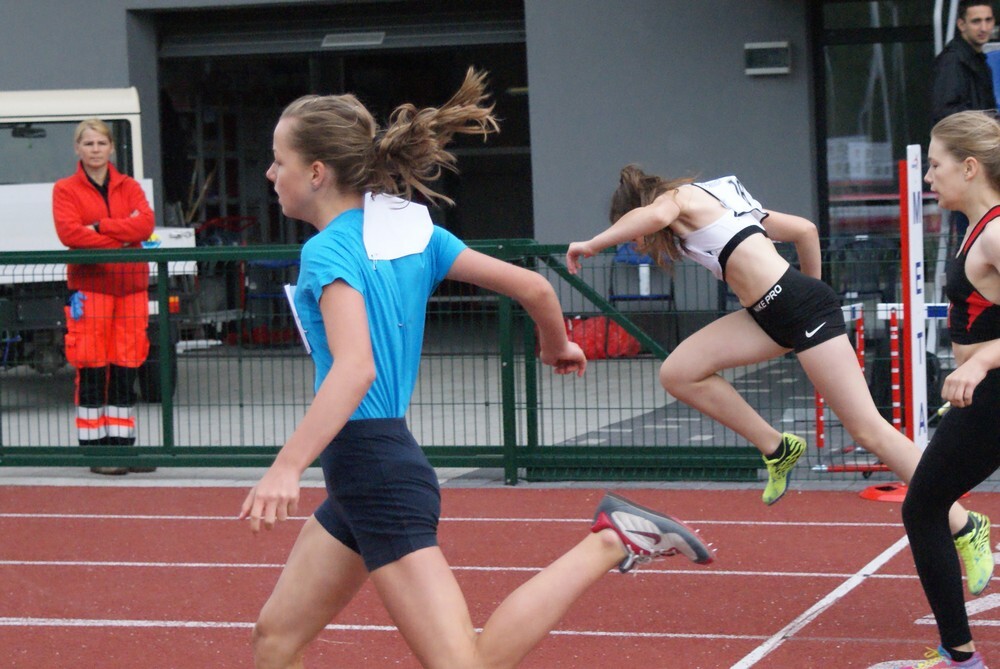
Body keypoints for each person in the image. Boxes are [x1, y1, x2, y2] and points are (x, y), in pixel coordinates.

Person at [239, 68, 715, 669]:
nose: (269, 173)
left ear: (315, 173)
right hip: (367, 474)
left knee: (466, 665)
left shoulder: (327, 250)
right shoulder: (414, 233)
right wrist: (556, 344)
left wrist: (286, 468)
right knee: (276, 639)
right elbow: (535, 289)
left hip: (376, 473)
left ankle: (610, 541)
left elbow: (355, 368)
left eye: (277, 160)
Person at [565, 165, 992, 594]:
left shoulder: (678, 200)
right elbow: (805, 230)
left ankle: (964, 523)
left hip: (799, 309)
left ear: (635, 211)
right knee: (679, 373)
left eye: (628, 230)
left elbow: (654, 218)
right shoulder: (725, 205)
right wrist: (810, 288)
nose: (637, 243)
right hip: (771, 313)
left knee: (869, 430)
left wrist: (593, 243)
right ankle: (778, 446)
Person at [890, 110, 1000, 669]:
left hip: (995, 397)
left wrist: (980, 364)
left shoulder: (998, 231)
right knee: (925, 505)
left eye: (935, 165)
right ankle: (959, 654)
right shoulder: (978, 228)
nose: (928, 177)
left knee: (924, 507)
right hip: (984, 400)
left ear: (971, 167)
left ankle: (961, 657)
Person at [53, 118, 156, 475]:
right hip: (91, 287)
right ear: (77, 149)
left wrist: (99, 228)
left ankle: (123, 449)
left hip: (131, 287)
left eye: (101, 143)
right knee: (93, 367)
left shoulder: (129, 186)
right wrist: (122, 239)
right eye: (89, 144)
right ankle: (97, 452)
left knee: (127, 367)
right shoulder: (65, 189)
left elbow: (144, 225)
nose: (95, 150)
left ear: (111, 147)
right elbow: (70, 235)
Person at [931, 0, 997, 238]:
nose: (984, 27)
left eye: (988, 20)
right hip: (966, 162)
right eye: (976, 21)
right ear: (961, 24)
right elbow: (946, 114)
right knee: (975, 228)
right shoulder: (954, 61)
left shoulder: (975, 59)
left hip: (973, 159)